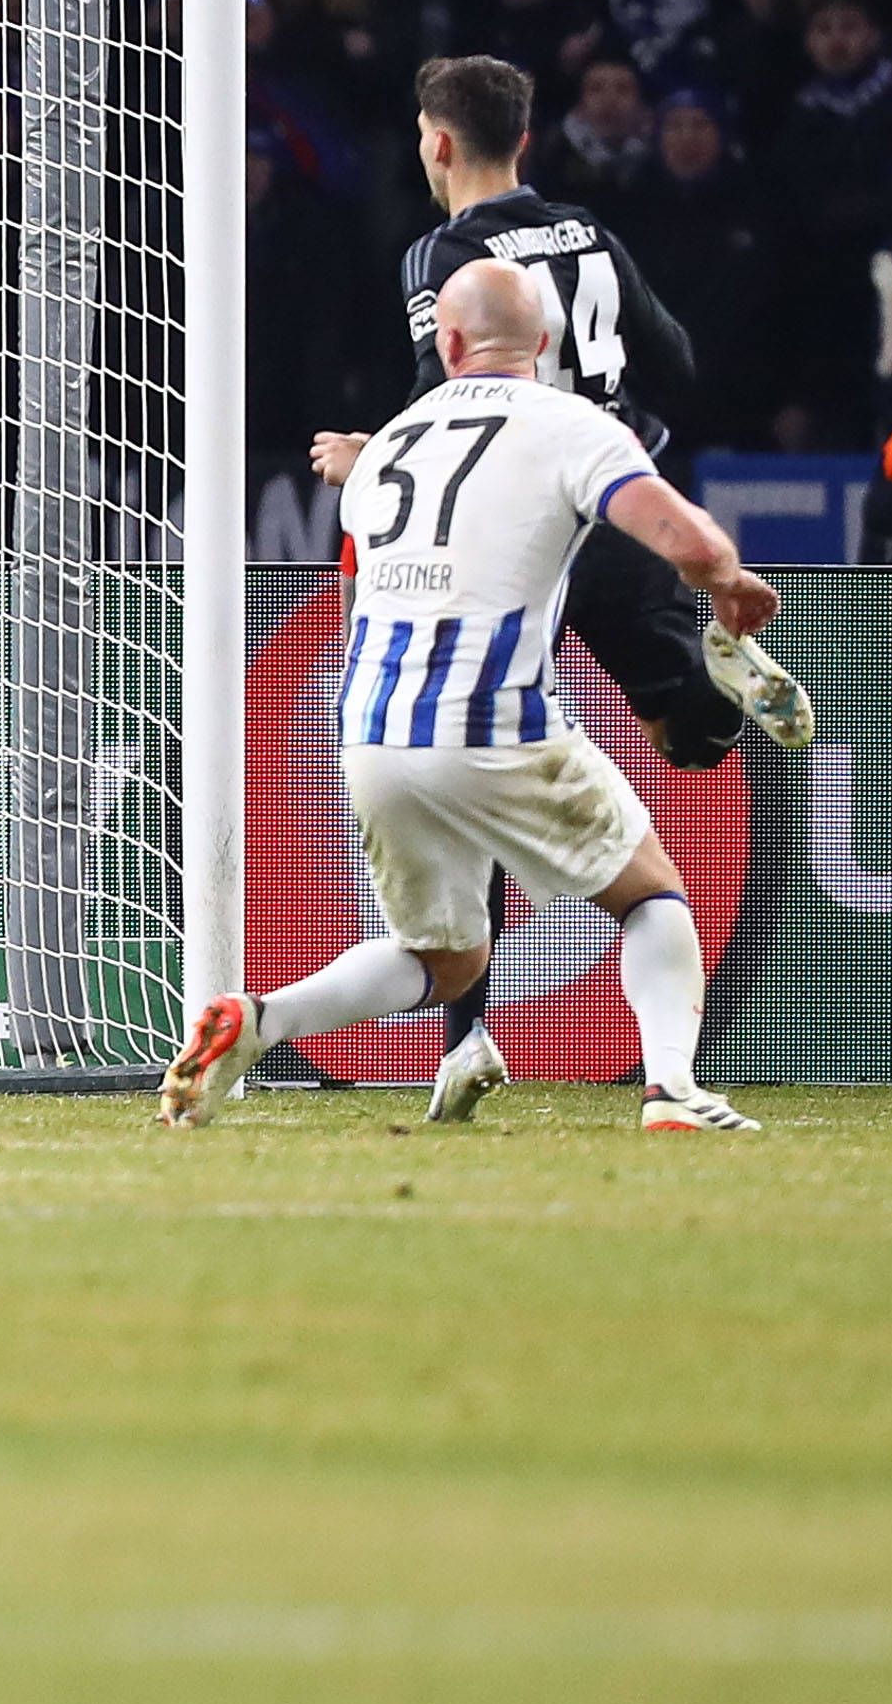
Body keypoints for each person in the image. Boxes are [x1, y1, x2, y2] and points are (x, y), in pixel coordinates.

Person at [306, 56, 812, 1121]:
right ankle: (723, 683)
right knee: (690, 743)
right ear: (523, 139)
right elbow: (672, 354)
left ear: (435, 142)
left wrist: (373, 453)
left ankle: (467, 1037)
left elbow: (436, 394)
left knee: (464, 752)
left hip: (506, 523)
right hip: (611, 506)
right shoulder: (587, 234)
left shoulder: (442, 255)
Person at [168, 261, 774, 1137]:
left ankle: (258, 1020)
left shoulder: (392, 445)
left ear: (447, 344)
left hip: (374, 727)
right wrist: (726, 579)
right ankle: (673, 1091)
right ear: (544, 342)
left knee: (444, 961)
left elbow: (356, 598)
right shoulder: (573, 423)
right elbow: (675, 530)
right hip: (493, 713)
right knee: (651, 895)